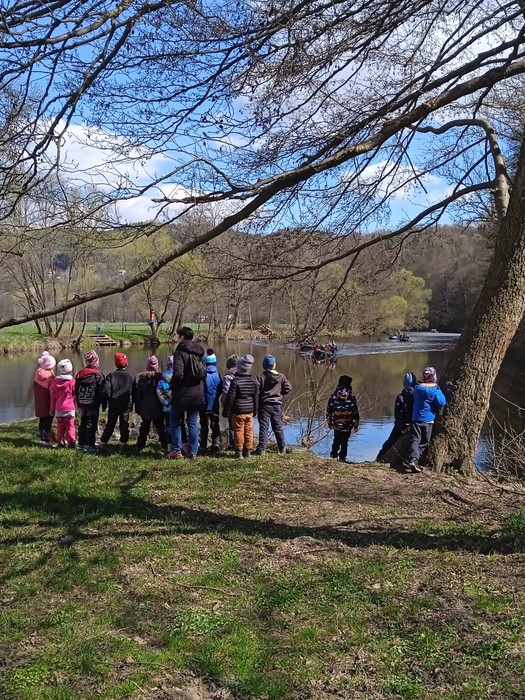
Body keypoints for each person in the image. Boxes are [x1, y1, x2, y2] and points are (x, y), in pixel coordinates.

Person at [168, 326, 206, 460]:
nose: (176, 338)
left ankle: (177, 450)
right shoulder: (199, 352)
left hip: (182, 393)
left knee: (175, 420)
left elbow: (178, 374)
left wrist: (172, 386)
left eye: (177, 335)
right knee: (192, 422)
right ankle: (193, 452)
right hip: (197, 392)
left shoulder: (180, 352)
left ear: (182, 337)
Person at [403, 366, 446, 473]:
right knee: (424, 441)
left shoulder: (417, 388)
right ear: (434, 376)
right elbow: (441, 402)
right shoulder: (435, 390)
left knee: (415, 440)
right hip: (428, 419)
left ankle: (412, 459)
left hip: (416, 418)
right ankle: (414, 460)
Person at [222, 354, 258, 459]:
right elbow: (256, 398)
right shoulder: (254, 381)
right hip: (249, 411)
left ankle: (239, 451)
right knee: (249, 431)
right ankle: (248, 450)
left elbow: (230, 397)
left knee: (238, 431)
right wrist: (255, 410)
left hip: (237, 411)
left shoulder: (235, 381)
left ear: (239, 367)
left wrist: (226, 411)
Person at [255, 354, 292, 455]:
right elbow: (288, 387)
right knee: (278, 427)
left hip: (264, 405)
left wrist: (259, 397)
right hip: (276, 405)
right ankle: (282, 448)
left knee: (264, 427)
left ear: (264, 365)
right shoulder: (281, 377)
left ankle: (262, 448)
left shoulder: (260, 377)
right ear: (274, 365)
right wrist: (281, 393)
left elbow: (256, 390)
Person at [376, 371, 417, 461]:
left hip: (401, 425)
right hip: (414, 424)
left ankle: (380, 457)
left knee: (390, 441)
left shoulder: (400, 397)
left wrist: (402, 428)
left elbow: (398, 415)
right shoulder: (418, 396)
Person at [99, 352, 134, 451]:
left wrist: (104, 404)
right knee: (124, 423)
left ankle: (103, 442)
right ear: (126, 363)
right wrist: (133, 404)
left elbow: (106, 391)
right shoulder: (131, 377)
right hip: (126, 404)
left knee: (110, 423)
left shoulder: (111, 376)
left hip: (113, 403)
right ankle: (123, 443)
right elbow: (134, 392)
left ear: (115, 363)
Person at [134, 355, 168, 452]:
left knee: (144, 427)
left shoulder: (142, 380)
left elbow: (138, 396)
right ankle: (164, 445)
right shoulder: (161, 379)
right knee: (160, 427)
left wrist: (137, 408)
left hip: (145, 407)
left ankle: (140, 445)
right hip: (158, 407)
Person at [75, 350, 107, 453]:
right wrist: (104, 404)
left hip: (82, 402)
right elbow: (103, 391)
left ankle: (81, 443)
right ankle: (89, 445)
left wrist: (77, 402)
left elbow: (76, 390)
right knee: (91, 424)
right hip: (93, 403)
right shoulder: (98, 375)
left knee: (83, 422)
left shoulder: (79, 374)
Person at [326, 375, 360, 463]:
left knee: (336, 439)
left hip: (336, 423)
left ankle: (333, 456)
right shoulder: (351, 397)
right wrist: (356, 425)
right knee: (345, 441)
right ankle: (342, 458)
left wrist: (329, 422)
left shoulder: (333, 396)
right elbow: (355, 412)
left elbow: (328, 411)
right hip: (347, 424)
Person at [49, 359, 76, 448]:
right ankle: (71, 442)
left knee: (60, 426)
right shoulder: (72, 382)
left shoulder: (55, 382)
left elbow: (53, 398)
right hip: (70, 408)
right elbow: (75, 395)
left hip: (59, 409)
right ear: (70, 370)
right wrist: (77, 406)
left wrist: (52, 409)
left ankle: (60, 442)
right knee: (70, 426)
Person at [200, 349, 222, 452]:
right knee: (215, 424)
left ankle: (203, 445)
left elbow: (200, 389)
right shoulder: (218, 375)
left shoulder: (202, 375)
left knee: (204, 425)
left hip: (204, 404)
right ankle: (216, 443)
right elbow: (221, 388)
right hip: (214, 404)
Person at [34, 350, 56, 446]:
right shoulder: (51, 377)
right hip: (48, 402)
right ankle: (45, 439)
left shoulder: (38, 373)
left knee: (42, 420)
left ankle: (41, 435)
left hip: (39, 401)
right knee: (48, 420)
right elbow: (53, 391)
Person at [157, 354, 174, 452]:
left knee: (168, 426)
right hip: (178, 405)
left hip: (167, 407)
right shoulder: (180, 375)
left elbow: (159, 391)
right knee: (180, 425)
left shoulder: (163, 376)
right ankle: (180, 446)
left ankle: (169, 447)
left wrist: (166, 402)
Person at [220, 354, 238, 450]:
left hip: (231, 404)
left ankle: (232, 445)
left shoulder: (227, 377)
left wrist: (223, 404)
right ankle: (241, 444)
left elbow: (226, 392)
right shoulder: (243, 375)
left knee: (232, 425)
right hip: (243, 404)